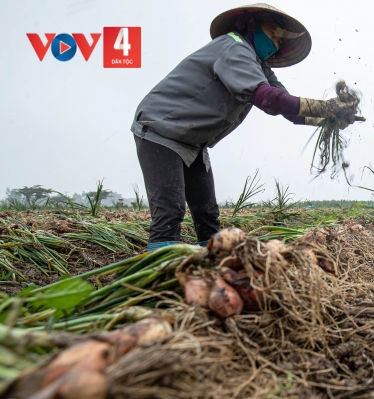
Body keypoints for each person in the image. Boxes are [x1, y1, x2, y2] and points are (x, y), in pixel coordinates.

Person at [131, 4, 362, 251]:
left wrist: (330, 121)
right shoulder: (234, 47)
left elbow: (286, 108)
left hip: (193, 143)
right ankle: (159, 277)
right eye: (272, 33)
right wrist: (326, 108)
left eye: (278, 40)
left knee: (207, 214)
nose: (274, 42)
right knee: (170, 211)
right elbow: (268, 99)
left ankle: (213, 269)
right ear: (251, 25)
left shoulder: (259, 67)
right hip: (161, 130)